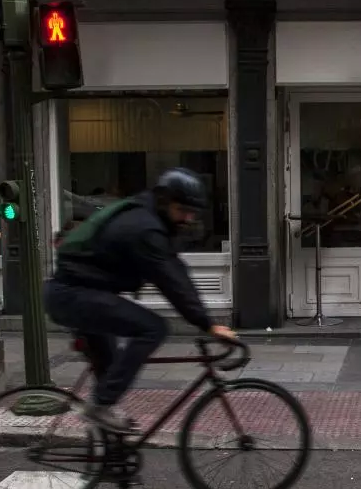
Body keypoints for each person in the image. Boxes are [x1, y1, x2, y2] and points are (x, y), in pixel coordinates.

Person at [44, 168, 236, 433]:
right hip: (73, 295)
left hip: (79, 293)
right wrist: (207, 325)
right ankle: (100, 407)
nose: (188, 218)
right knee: (153, 328)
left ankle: (110, 455)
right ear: (164, 201)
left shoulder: (148, 219)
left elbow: (175, 269)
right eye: (183, 210)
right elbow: (171, 281)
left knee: (111, 374)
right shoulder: (144, 229)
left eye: (193, 212)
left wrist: (203, 319)